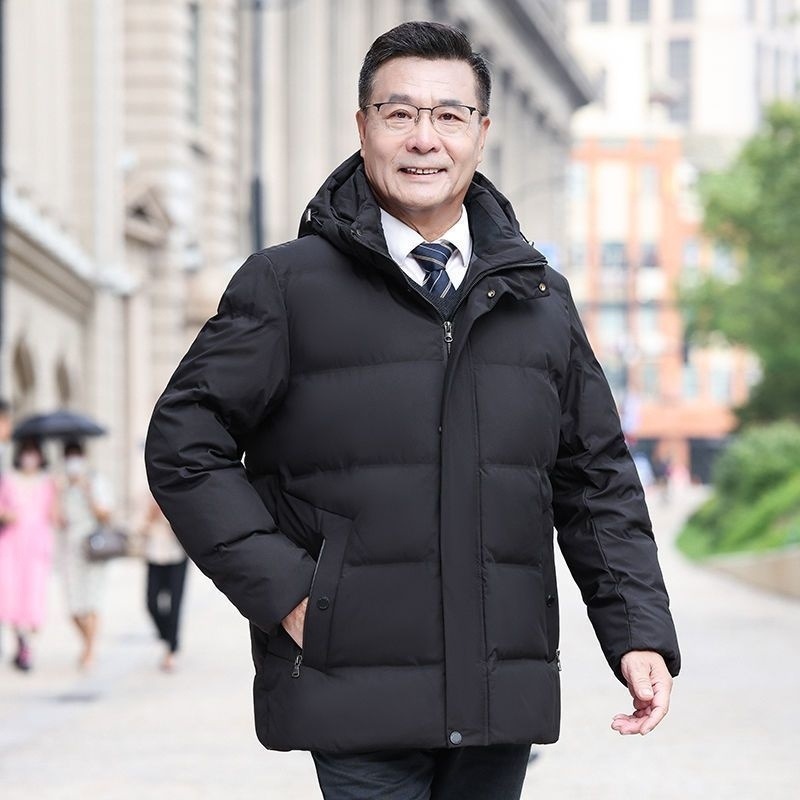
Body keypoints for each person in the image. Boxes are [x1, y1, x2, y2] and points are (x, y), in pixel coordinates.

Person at [146, 21, 680, 799]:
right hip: (354, 688)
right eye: (399, 114)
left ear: (481, 134)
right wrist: (290, 594)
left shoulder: (538, 299)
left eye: (449, 116)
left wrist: (637, 634)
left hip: (497, 695)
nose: (424, 138)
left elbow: (595, 480)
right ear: (363, 128)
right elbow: (183, 445)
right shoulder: (286, 287)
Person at [0, 439, 59, 670]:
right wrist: (7, 514)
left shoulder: (48, 482)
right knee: (11, 593)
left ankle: (27, 643)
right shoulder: (8, 480)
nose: (30, 458)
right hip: (11, 543)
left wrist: (59, 491)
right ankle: (21, 641)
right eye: (26, 453)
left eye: (34, 453)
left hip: (36, 544)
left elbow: (55, 516)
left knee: (32, 594)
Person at [58, 439, 113, 670]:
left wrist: (87, 491)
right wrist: (58, 492)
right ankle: (88, 644)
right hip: (69, 550)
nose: (72, 462)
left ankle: (90, 650)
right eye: (68, 456)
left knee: (92, 601)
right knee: (73, 607)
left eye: (76, 455)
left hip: (93, 548)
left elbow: (106, 514)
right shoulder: (62, 485)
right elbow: (58, 520)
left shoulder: (95, 480)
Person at [139, 495, 188, 672]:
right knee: (151, 602)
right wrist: (150, 517)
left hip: (176, 555)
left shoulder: (180, 493)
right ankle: (166, 635)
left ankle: (171, 650)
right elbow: (138, 528)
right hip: (154, 555)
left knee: (174, 605)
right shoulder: (145, 495)